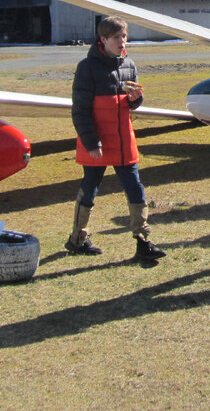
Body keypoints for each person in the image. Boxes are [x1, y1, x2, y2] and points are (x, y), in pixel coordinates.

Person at [67, 16, 166, 263]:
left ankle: (143, 242)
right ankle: (77, 240)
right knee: (90, 188)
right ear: (103, 39)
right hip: (97, 142)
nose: (122, 42)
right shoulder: (87, 68)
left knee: (135, 187)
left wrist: (136, 99)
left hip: (123, 140)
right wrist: (92, 143)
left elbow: (132, 103)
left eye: (124, 36)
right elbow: (79, 111)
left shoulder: (129, 64)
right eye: (116, 37)